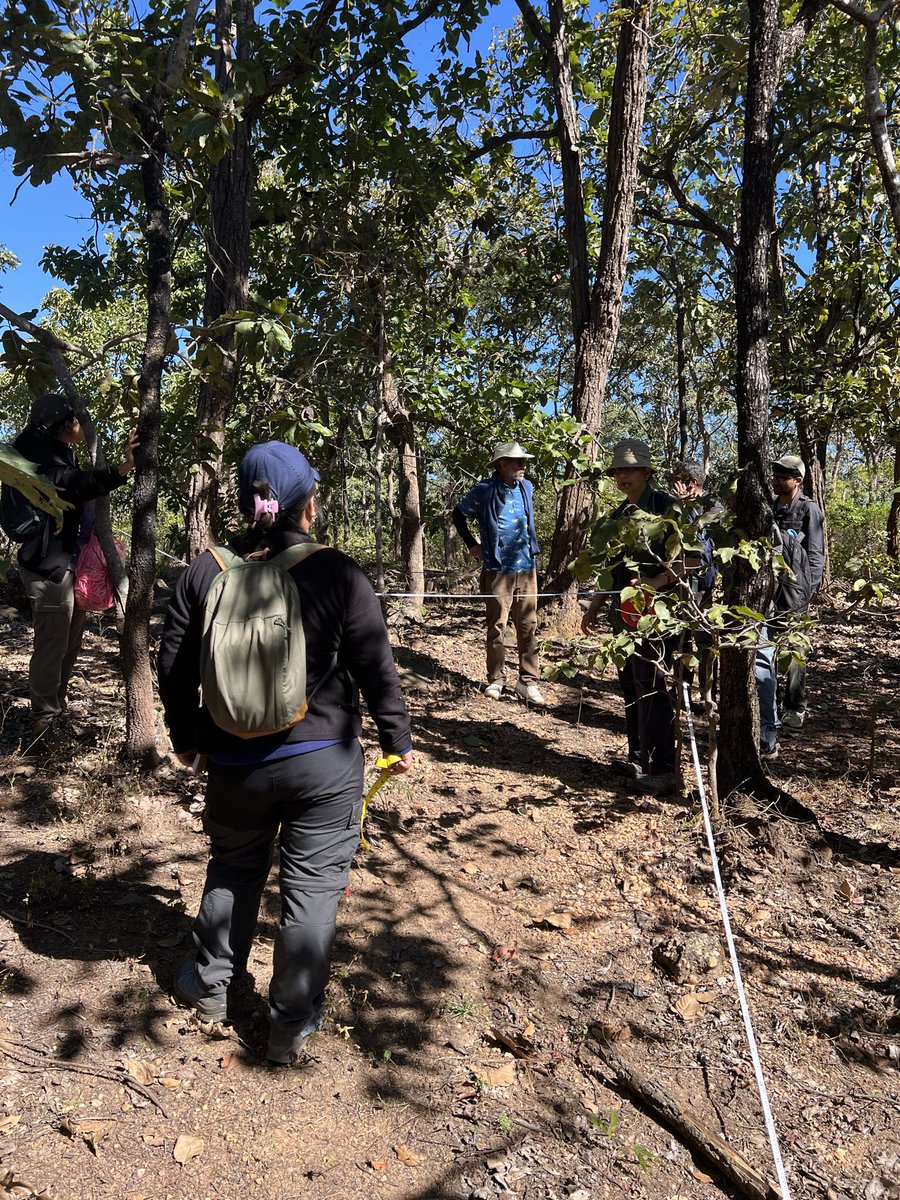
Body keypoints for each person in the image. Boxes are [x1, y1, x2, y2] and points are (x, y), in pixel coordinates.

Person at [158, 441, 413, 1064]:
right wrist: (395, 738)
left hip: (235, 765)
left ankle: (212, 987)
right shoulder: (339, 572)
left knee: (234, 868)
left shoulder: (207, 568)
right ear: (309, 503)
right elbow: (375, 665)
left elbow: (171, 665)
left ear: (248, 504)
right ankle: (290, 1022)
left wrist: (187, 739)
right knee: (314, 885)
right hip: (325, 759)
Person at [11, 394, 138, 738]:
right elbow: (76, 483)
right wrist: (122, 469)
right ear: (68, 425)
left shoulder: (61, 452)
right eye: (79, 418)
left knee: (69, 641)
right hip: (48, 568)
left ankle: (56, 709)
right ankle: (44, 720)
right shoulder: (45, 460)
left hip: (67, 564)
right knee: (53, 643)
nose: (84, 423)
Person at [582, 439, 678, 795]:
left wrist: (656, 581)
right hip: (623, 616)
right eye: (618, 470)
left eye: (629, 469)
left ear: (646, 472)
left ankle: (663, 767)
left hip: (658, 615)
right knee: (630, 684)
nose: (622, 476)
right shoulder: (616, 516)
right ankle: (638, 757)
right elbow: (609, 570)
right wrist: (594, 605)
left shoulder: (669, 509)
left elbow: (693, 561)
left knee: (652, 684)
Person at [451, 441, 545, 705]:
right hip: (497, 569)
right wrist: (472, 544)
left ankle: (527, 681)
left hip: (527, 567)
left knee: (528, 625)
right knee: (497, 626)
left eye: (523, 462)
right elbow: (458, 515)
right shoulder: (484, 490)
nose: (522, 466)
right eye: (517, 462)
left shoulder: (527, 487)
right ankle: (496, 679)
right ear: (502, 465)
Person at [770, 454, 825, 732]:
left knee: (794, 650)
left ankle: (795, 708)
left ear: (798, 480)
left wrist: (807, 591)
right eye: (775, 475)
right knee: (768, 649)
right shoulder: (769, 508)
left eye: (783, 476)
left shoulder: (808, 509)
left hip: (796, 590)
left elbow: (816, 554)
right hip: (769, 588)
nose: (777, 480)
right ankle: (771, 705)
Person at [671, 460, 721, 708]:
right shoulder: (673, 506)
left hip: (704, 584)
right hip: (677, 581)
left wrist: (684, 507)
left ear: (691, 482)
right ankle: (681, 695)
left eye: (676, 480)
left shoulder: (713, 506)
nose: (672, 486)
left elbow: (697, 535)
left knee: (704, 639)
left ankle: (708, 693)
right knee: (681, 637)